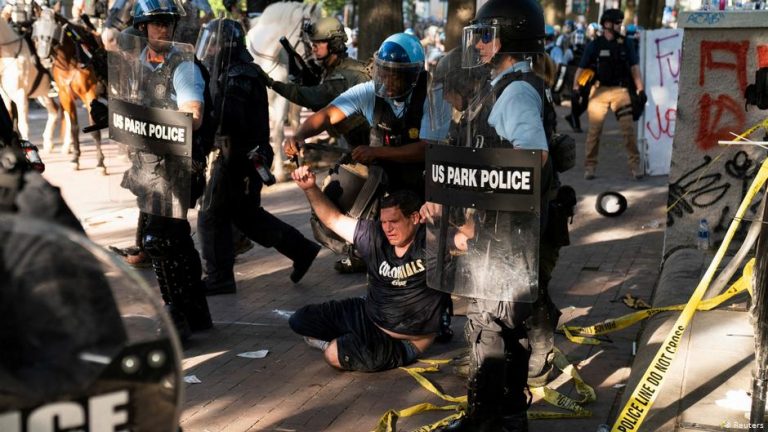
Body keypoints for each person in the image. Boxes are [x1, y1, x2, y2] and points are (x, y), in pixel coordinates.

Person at [422, 0, 562, 430]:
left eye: (485, 35)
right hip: (504, 226)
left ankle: (486, 419)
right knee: (503, 322)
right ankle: (507, 417)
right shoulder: (505, 84)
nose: (478, 44)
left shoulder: (515, 91)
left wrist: (476, 217)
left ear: (508, 37)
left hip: (506, 230)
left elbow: (532, 157)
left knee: (489, 323)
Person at [195, 18, 321, 295]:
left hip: (236, 156)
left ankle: (219, 278)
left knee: (211, 216)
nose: (209, 49)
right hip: (244, 155)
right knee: (247, 217)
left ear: (225, 44)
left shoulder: (237, 75)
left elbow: (230, 120)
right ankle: (301, 249)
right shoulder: (237, 70)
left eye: (213, 43)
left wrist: (206, 126)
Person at [288, 168, 451, 372]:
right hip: (369, 314)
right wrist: (310, 188)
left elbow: (468, 238)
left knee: (333, 354)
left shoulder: (433, 241)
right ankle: (350, 339)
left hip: (405, 341)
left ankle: (344, 343)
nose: (388, 229)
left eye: (394, 222)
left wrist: (449, 213)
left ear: (415, 218)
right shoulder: (375, 234)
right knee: (300, 320)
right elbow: (334, 220)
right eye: (384, 222)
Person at [118, 0, 214, 340]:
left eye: (168, 22)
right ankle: (196, 314)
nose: (164, 28)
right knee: (175, 239)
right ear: (142, 27)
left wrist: (148, 122)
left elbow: (194, 116)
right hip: (148, 167)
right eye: (156, 22)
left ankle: (177, 319)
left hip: (177, 167)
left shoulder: (183, 66)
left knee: (160, 239)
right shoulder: (140, 64)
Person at [255, 16, 370, 274]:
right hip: (364, 151)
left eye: (319, 43)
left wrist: (271, 83)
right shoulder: (346, 69)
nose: (314, 48)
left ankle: (362, 251)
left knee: (328, 203)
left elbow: (313, 97)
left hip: (371, 154)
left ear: (335, 44)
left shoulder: (341, 77)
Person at [573, 8, 646, 181]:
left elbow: (634, 68)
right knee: (594, 132)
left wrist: (640, 89)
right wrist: (575, 88)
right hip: (598, 92)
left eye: (621, 23)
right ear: (607, 24)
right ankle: (590, 167)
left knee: (628, 130)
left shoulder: (626, 43)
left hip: (621, 92)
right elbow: (581, 68)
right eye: (617, 23)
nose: (620, 26)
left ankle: (635, 166)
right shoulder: (594, 45)